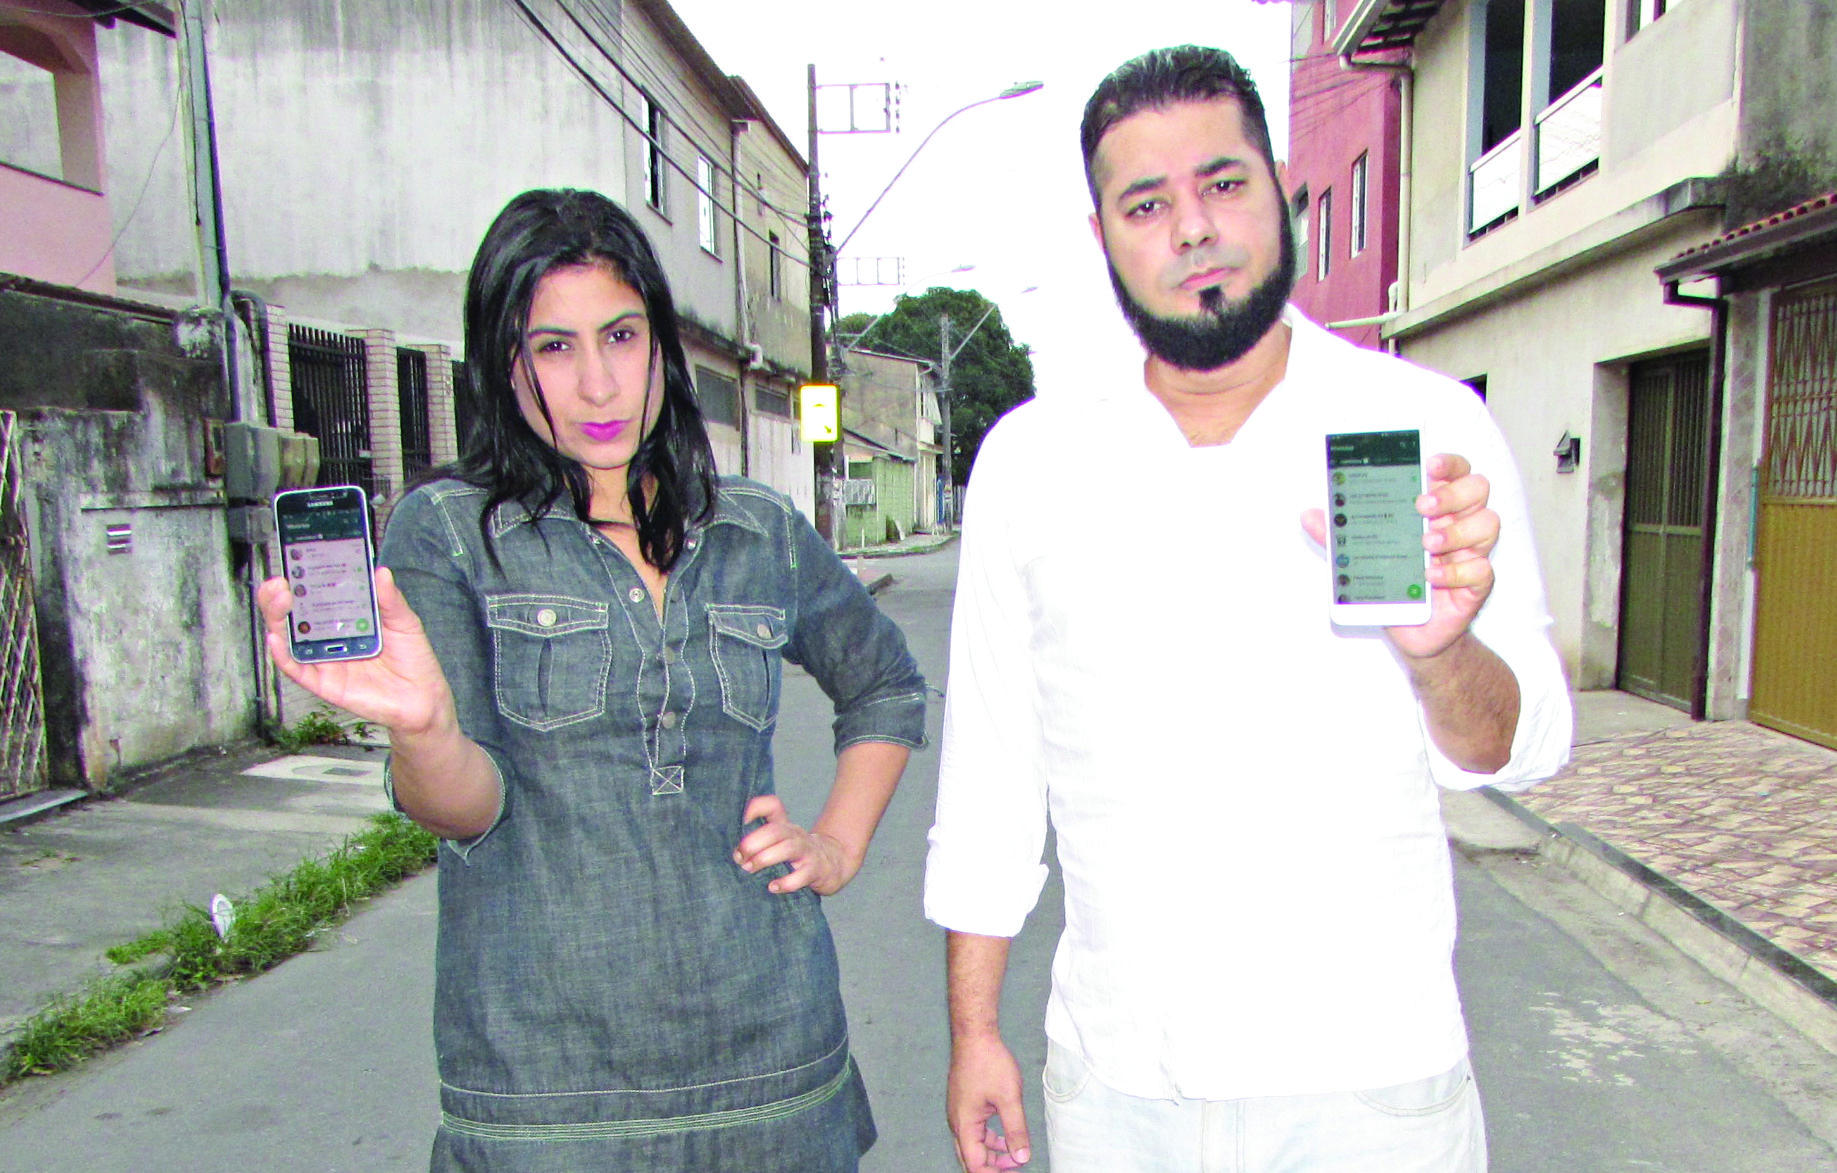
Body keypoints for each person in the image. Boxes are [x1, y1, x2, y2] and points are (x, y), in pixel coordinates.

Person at [925, 46, 1572, 1173]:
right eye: (1146, 203)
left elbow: (1518, 748)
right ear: (1101, 237)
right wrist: (974, 1030)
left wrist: (1441, 654)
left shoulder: (1420, 429)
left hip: (1370, 1096)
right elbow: (990, 778)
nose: (1192, 228)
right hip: (1120, 1091)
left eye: (1222, 183)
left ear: (1280, 189)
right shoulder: (1032, 463)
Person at [258, 188, 927, 1171]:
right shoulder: (450, 534)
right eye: (554, 347)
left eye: (620, 335)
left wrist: (834, 844)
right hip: (548, 1094)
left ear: (661, 343)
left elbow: (886, 686)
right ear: (505, 363)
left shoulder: (756, 530)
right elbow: (464, 807)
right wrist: (424, 728)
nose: (599, 384)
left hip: (773, 1068)